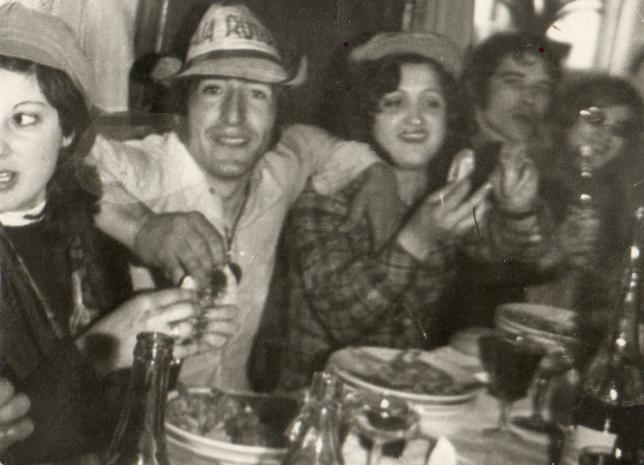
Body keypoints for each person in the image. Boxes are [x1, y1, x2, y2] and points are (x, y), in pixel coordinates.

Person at [87, 2, 392, 391]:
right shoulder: (149, 168)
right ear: (185, 105)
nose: (234, 116)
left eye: (257, 94)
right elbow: (68, 162)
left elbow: (310, 143)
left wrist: (375, 169)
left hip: (232, 407)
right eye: (214, 90)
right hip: (135, 412)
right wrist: (143, 228)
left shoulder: (279, 171)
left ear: (277, 112)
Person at [0, 4, 236, 463]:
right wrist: (105, 348)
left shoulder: (89, 232)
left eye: (24, 118)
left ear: (69, 131)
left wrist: (168, 343)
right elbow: (21, 443)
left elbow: (108, 420)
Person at [274, 31, 552, 391]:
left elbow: (495, 246)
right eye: (394, 103)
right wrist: (418, 238)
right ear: (365, 114)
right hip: (319, 398)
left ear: (450, 116)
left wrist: (517, 211)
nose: (416, 119)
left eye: (431, 103)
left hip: (405, 395)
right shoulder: (327, 192)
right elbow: (342, 319)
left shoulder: (442, 189)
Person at [445, 31, 569, 332]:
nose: (529, 99)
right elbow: (474, 261)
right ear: (478, 87)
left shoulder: (550, 165)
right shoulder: (454, 156)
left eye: (541, 88)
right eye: (513, 82)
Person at [526, 75, 644, 341]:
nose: (604, 137)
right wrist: (557, 251)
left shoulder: (618, 198)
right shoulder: (529, 181)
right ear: (567, 120)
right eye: (595, 119)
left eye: (618, 130)